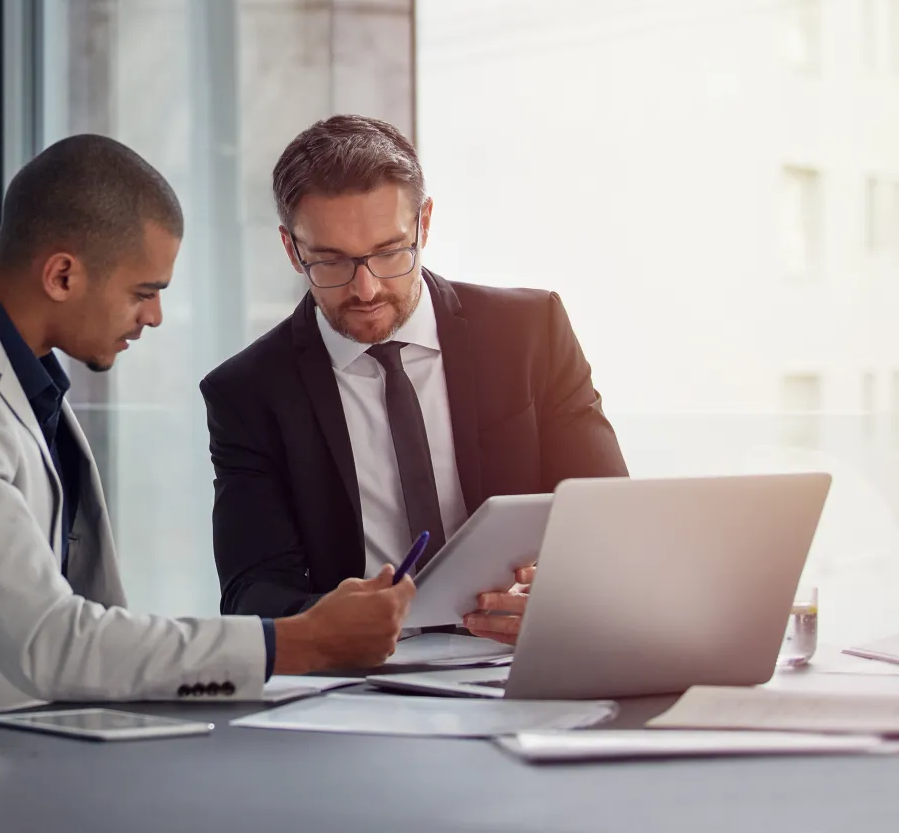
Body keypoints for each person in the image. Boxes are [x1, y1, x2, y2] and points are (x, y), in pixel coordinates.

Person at [0, 133, 415, 733]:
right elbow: (49, 642)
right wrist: (299, 642)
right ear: (61, 275)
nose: (154, 316)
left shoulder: (13, 377)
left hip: (29, 733)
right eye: (143, 292)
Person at [203, 115, 627, 644]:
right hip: (362, 678)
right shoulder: (247, 392)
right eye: (330, 262)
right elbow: (251, 592)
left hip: (526, 656)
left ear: (424, 224)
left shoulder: (530, 331)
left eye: (388, 252)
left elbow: (614, 523)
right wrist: (331, 621)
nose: (366, 288)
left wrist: (563, 596)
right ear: (292, 250)